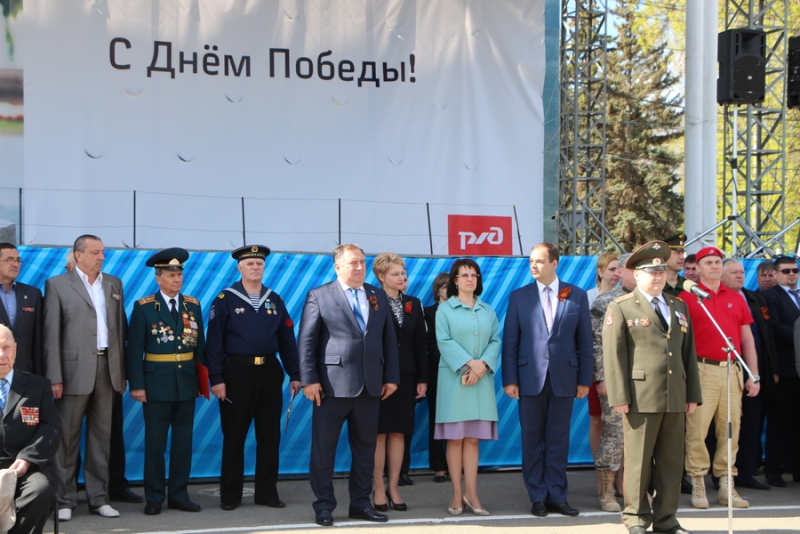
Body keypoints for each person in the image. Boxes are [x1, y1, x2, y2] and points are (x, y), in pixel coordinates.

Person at [297, 244, 400, 527]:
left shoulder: (376, 294)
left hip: (370, 386)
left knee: (366, 449)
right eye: (353, 263)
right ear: (338, 266)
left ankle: (360, 503)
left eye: (363, 263)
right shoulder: (319, 295)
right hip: (331, 387)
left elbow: (387, 338)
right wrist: (310, 380)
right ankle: (324, 505)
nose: (359, 268)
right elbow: (306, 341)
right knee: (324, 450)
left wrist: (391, 376)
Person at [603, 241, 702, 534]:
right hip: (640, 397)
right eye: (651, 271)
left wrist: (692, 395)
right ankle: (635, 518)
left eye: (661, 270)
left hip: (675, 395)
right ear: (636, 274)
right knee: (639, 464)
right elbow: (614, 355)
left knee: (672, 464)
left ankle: (666, 519)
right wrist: (619, 396)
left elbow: (688, 354)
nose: (658, 276)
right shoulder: (621, 306)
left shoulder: (678, 306)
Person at [205, 245, 301, 511]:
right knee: (234, 436)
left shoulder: (275, 300)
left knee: (270, 436)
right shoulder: (225, 299)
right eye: (250, 263)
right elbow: (214, 343)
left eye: (259, 263)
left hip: (269, 372)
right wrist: (216, 378)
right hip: (236, 373)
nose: (255, 267)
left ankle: (267, 493)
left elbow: (287, 341)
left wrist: (295, 373)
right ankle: (230, 495)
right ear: (239, 267)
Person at [502, 242, 592, 517]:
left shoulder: (575, 295)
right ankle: (537, 496)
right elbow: (511, 343)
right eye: (531, 261)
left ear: (554, 263)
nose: (533, 265)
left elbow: (585, 342)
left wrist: (584, 380)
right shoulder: (520, 296)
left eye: (539, 261)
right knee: (531, 439)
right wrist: (510, 379)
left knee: (558, 439)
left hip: (565, 380)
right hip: (529, 379)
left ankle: (557, 495)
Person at [43, 234, 127, 521]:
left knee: (102, 438)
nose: (101, 257)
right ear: (78, 255)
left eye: (103, 252)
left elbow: (118, 331)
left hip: (108, 369)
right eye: (95, 252)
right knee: (67, 439)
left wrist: (121, 373)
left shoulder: (114, 284)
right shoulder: (57, 285)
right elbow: (51, 335)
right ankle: (64, 500)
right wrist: (54, 376)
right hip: (72, 371)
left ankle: (99, 498)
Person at [126, 248, 205, 515]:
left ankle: (180, 495)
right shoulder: (144, 307)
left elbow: (200, 348)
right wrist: (136, 384)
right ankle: (155, 497)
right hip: (156, 385)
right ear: (158, 278)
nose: (177, 279)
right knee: (156, 444)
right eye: (171, 274)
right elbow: (134, 349)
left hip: (186, 384)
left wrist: (203, 382)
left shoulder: (192, 305)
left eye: (179, 274)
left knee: (183, 443)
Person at [678, 246, 759, 509]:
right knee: (697, 430)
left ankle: (727, 484)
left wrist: (753, 374)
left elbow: (746, 338)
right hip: (701, 370)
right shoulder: (687, 298)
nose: (714, 266)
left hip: (731, 369)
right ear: (697, 268)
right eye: (709, 262)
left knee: (730, 430)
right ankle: (698, 482)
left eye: (718, 262)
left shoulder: (736, 297)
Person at [435, 258, 499, 516]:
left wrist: (480, 366)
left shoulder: (488, 310)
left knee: (473, 439)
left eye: (474, 275)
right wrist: (468, 365)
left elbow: (495, 340)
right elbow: (444, 341)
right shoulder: (445, 310)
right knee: (456, 438)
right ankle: (456, 494)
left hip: (481, 380)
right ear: (455, 280)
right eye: (464, 275)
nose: (470, 279)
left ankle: (472, 493)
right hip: (454, 381)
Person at [370, 253, 427, 512]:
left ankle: (393, 486)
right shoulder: (372, 301)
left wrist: (421, 378)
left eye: (403, 273)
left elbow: (419, 344)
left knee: (399, 432)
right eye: (395, 273)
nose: (402, 277)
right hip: (380, 376)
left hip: (407, 376)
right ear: (381, 277)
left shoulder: (414, 303)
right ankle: (378, 487)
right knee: (379, 433)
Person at [719, 259, 778, 490]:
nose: (740, 276)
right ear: (722, 277)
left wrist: (770, 369)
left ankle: (746, 472)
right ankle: (722, 476)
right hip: (728, 367)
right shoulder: (716, 299)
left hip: (754, 369)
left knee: (752, 422)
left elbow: (766, 337)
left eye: (742, 272)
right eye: (734, 272)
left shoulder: (755, 298)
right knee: (727, 424)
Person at [0, 324, 60, 534]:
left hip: (24, 467)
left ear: (15, 349)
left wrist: (27, 459)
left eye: (6, 347)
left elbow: (51, 429)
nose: (1, 355)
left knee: (41, 491)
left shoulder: (37, 386)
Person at [589, 252, 633, 512]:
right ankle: (606, 491)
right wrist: (601, 377)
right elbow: (596, 343)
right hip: (616, 380)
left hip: (646, 381)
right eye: (630, 268)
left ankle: (634, 489)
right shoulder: (605, 301)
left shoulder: (654, 302)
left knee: (641, 436)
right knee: (614, 435)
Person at [584, 251, 620, 502]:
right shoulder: (588, 298)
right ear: (600, 271)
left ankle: (621, 480)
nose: (616, 274)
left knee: (621, 428)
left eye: (619, 269)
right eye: (612, 269)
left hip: (621, 373)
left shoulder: (627, 297)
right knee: (599, 422)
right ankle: (601, 475)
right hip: (597, 370)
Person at [761, 255, 800, 486]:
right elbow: (774, 327)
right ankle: (773, 470)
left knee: (798, 423)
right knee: (779, 422)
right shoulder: (770, 296)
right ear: (775, 274)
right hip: (784, 369)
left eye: (794, 270)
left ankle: (796, 468)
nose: (792, 274)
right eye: (786, 271)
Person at [0, 243, 43, 376]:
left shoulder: (32, 294)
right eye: (9, 260)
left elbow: (38, 340)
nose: (15, 264)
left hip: (24, 373)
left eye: (18, 260)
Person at [424, 272, 450, 483]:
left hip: (460, 372)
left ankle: (454, 463)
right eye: (444, 287)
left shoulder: (464, 311)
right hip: (437, 371)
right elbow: (430, 342)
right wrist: (449, 361)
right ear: (437, 290)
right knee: (436, 419)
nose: (447, 290)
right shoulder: (428, 313)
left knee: (457, 420)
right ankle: (438, 467)